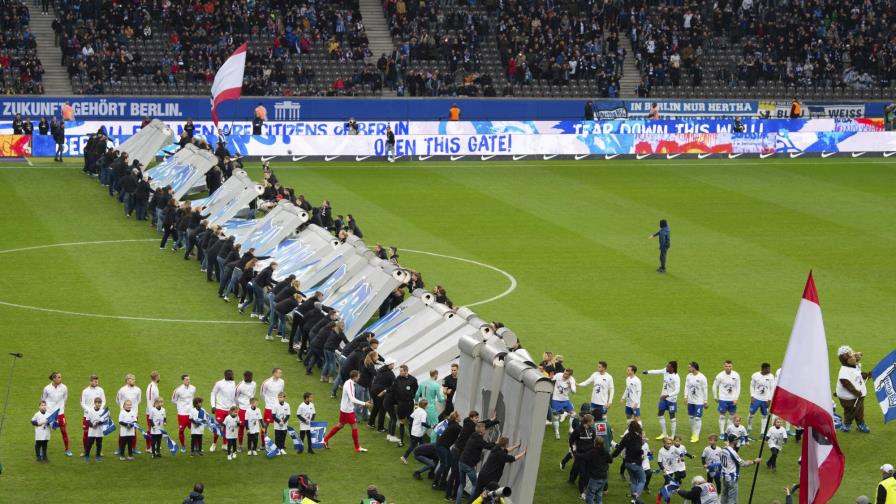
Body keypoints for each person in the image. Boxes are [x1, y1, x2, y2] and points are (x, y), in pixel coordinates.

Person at [323, 369, 371, 452]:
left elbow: (348, 398)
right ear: (354, 377)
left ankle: (325, 440)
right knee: (354, 427)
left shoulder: (348, 382)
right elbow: (352, 399)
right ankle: (357, 447)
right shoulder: (350, 385)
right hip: (347, 410)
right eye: (358, 377)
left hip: (344, 408)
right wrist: (364, 403)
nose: (359, 378)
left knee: (340, 425)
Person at [456, 421, 496, 504]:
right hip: (468, 465)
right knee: (475, 484)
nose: (486, 430)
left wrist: (494, 421)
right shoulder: (478, 439)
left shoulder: (473, 435)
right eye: (485, 429)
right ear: (481, 430)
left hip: (461, 462)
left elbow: (483, 427)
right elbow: (487, 446)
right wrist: (497, 443)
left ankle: (458, 502)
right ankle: (472, 502)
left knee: (462, 484)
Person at [836, 345, 871, 433]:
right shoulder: (844, 371)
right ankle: (847, 424)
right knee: (850, 410)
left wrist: (867, 375)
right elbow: (846, 384)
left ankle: (860, 424)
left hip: (858, 395)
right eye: (852, 357)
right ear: (845, 360)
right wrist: (855, 392)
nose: (855, 358)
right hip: (848, 397)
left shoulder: (854, 366)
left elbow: (858, 375)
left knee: (859, 410)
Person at [611, 421, 646, 504]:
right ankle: (636, 496)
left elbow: (619, 448)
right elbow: (637, 449)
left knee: (633, 481)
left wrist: (612, 456)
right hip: (635, 463)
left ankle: (633, 500)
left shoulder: (626, 436)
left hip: (627, 462)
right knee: (642, 480)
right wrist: (641, 452)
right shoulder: (637, 437)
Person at [719, 434, 760, 504]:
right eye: (736, 439)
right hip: (732, 478)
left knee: (724, 496)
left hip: (724, 476)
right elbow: (743, 464)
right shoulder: (733, 452)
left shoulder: (723, 450)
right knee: (732, 499)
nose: (738, 440)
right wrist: (754, 461)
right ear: (734, 441)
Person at [644, 361, 680, 439]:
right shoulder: (665, 371)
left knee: (672, 416)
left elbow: (677, 391)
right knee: (660, 414)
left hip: (671, 400)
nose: (666, 367)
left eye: (668, 366)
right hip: (663, 398)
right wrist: (648, 372)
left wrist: (667, 395)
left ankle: (673, 435)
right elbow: (657, 371)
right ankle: (664, 434)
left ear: (672, 368)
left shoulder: (676, 377)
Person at [41, 371, 72, 456]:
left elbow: (65, 398)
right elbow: (43, 400)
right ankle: (42, 450)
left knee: (63, 431)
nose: (60, 379)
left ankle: (67, 449)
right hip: (49, 413)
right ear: (54, 378)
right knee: (45, 431)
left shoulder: (64, 387)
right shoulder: (47, 388)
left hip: (60, 413)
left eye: (60, 377)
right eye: (58, 377)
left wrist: (61, 407)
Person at [210, 369, 237, 451]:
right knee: (217, 427)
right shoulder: (219, 383)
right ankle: (214, 444)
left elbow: (234, 396)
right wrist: (213, 406)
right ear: (226, 375)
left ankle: (225, 444)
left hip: (229, 410)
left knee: (228, 427)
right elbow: (213, 393)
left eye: (232, 374)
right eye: (230, 374)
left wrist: (234, 406)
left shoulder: (233, 383)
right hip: (220, 408)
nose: (232, 376)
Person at [713, 360, 741, 437]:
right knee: (722, 416)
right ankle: (722, 432)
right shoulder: (720, 376)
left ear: (732, 366)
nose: (728, 368)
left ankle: (727, 431)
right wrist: (715, 396)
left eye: (729, 366)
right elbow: (715, 386)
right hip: (723, 399)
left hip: (732, 399)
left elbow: (738, 387)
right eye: (726, 366)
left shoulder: (736, 375)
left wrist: (736, 398)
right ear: (724, 366)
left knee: (731, 416)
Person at [115, 374, 141, 455]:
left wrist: (134, 411)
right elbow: (117, 400)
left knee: (134, 431)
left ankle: (133, 448)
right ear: (127, 380)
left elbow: (138, 401)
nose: (134, 380)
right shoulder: (122, 390)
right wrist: (123, 409)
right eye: (132, 379)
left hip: (134, 413)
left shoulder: (138, 390)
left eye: (134, 379)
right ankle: (120, 448)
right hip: (124, 414)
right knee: (122, 431)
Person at [416, 370, 445, 442]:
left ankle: (417, 442)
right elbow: (440, 400)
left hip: (422, 407)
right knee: (435, 428)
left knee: (423, 426)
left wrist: (416, 404)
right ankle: (432, 447)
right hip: (431, 408)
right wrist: (445, 396)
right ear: (435, 375)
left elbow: (417, 394)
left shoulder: (423, 383)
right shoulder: (436, 385)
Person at [80, 374, 106, 455]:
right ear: (90, 381)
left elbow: (104, 401)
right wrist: (90, 410)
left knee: (98, 433)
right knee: (86, 433)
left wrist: (99, 410)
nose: (96, 383)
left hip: (98, 415)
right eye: (95, 381)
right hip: (87, 415)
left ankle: (99, 451)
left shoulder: (100, 390)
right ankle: (85, 450)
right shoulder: (85, 391)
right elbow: (82, 402)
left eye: (97, 381)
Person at [748, 363, 775, 436]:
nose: (769, 370)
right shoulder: (755, 375)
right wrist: (752, 396)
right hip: (756, 398)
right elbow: (752, 386)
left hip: (765, 399)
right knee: (751, 414)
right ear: (763, 369)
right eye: (768, 369)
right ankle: (749, 426)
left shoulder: (771, 377)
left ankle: (762, 432)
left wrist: (769, 399)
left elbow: (772, 389)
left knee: (764, 415)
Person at [401, 399, 432, 463]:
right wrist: (430, 426)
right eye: (427, 405)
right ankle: (404, 457)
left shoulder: (416, 410)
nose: (427, 406)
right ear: (424, 406)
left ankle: (422, 457)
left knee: (422, 445)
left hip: (414, 431)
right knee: (413, 446)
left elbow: (411, 417)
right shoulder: (424, 413)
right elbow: (423, 423)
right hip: (418, 433)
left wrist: (413, 425)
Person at [171, 374, 196, 452]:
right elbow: (173, 400)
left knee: (194, 430)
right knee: (181, 430)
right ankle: (183, 446)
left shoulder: (193, 388)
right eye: (186, 379)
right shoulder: (178, 390)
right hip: (182, 413)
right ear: (183, 380)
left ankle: (196, 446)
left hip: (191, 413)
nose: (188, 381)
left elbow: (193, 398)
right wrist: (180, 406)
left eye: (189, 379)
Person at [550, 368, 577, 440]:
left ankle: (571, 428)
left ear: (570, 375)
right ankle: (557, 432)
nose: (564, 375)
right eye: (564, 373)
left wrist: (570, 386)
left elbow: (574, 392)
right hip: (556, 399)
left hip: (565, 399)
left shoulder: (571, 380)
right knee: (556, 417)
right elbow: (551, 380)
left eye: (566, 374)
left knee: (573, 414)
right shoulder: (559, 375)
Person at [685, 362, 708, 443]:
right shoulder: (688, 376)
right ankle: (693, 433)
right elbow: (686, 386)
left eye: (689, 367)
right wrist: (685, 397)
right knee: (691, 417)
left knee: (697, 418)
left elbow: (705, 389)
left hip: (699, 401)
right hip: (691, 400)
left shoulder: (702, 377)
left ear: (694, 368)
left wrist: (705, 401)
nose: (688, 369)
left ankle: (696, 435)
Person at [236, 370, 256, 450]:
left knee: (251, 427)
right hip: (242, 409)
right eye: (247, 377)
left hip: (250, 409)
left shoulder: (254, 384)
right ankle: (240, 445)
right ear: (244, 377)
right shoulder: (240, 386)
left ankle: (251, 445)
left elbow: (253, 394)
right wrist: (240, 405)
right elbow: (236, 397)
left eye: (250, 377)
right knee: (241, 427)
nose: (249, 378)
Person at [262, 368, 286, 432]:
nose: (281, 374)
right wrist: (267, 401)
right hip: (269, 406)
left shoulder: (282, 381)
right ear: (274, 373)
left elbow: (282, 392)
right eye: (279, 372)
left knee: (279, 423)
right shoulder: (266, 382)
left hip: (278, 406)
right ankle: (263, 440)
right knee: (265, 424)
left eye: (281, 373)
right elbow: (262, 394)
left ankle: (278, 441)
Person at [84, 397, 105, 462]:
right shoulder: (90, 411)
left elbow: (104, 420)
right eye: (97, 403)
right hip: (92, 431)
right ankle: (87, 456)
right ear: (94, 403)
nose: (98, 404)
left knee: (99, 444)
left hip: (99, 431)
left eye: (100, 403)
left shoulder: (103, 411)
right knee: (89, 443)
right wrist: (92, 425)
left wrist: (98, 423)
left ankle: (98, 456)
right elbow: (87, 420)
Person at [145, 371, 160, 452]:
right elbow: (149, 401)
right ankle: (148, 447)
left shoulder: (155, 386)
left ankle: (154, 445)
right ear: (156, 377)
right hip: (151, 413)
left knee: (156, 428)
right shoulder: (151, 387)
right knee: (150, 429)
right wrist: (152, 414)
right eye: (159, 376)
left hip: (156, 411)